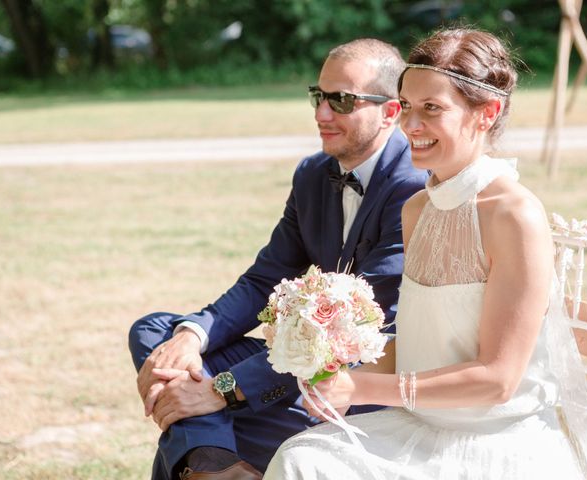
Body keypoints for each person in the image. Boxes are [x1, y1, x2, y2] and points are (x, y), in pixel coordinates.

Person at [264, 28, 587, 480]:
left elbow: (499, 379)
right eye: (406, 106)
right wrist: (327, 362)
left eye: (432, 109)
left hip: (496, 441)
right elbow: (417, 341)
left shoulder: (514, 215)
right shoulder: (417, 208)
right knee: (300, 457)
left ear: (487, 113)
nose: (410, 125)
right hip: (419, 427)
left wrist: (362, 386)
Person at [128, 38, 428, 480]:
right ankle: (217, 465)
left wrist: (221, 391)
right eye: (319, 96)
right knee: (157, 333)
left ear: (390, 112)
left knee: (189, 409)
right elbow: (264, 279)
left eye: (342, 100)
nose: (321, 114)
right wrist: (192, 338)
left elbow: (356, 335)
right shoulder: (312, 174)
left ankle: (206, 458)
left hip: (358, 383)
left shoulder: (412, 188)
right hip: (304, 360)